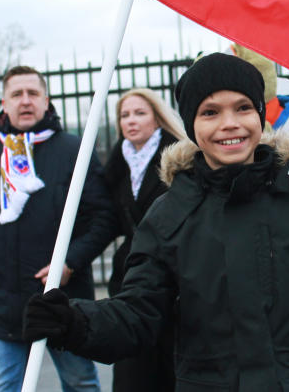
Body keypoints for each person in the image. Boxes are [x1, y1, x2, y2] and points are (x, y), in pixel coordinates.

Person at [22, 53, 289, 391]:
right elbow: (138, 314)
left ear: (259, 115)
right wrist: (73, 321)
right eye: (210, 112)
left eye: (242, 108)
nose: (230, 124)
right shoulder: (168, 214)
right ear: (191, 125)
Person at [0, 66, 116, 392]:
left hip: (63, 301)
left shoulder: (74, 150)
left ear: (46, 101)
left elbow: (104, 219)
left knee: (81, 384)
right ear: (3, 103)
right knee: (1, 386)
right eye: (16, 94)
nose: (25, 101)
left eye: (33, 93)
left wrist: (69, 263)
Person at [103, 88, 184, 392]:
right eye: (125, 115)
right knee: (132, 374)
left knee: (170, 371)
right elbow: (106, 221)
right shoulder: (117, 165)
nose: (131, 121)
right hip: (130, 278)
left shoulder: (178, 159)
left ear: (157, 118)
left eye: (140, 113)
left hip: (173, 281)